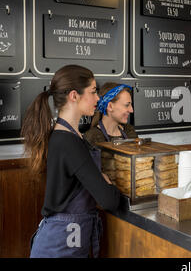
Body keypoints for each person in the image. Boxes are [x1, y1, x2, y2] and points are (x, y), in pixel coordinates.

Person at [22, 65, 123, 258]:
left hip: (66, 241)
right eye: (93, 92)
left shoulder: (67, 136)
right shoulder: (68, 141)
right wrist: (107, 184)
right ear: (74, 96)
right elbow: (109, 201)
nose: (98, 98)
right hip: (60, 245)